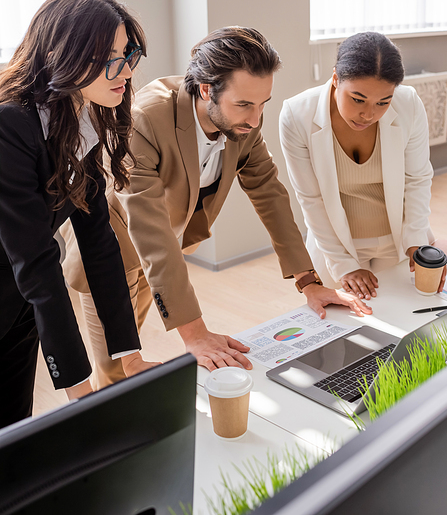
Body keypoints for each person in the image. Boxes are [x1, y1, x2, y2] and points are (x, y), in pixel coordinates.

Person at [61, 26, 372, 388]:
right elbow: (149, 228)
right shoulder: (144, 117)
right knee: (119, 368)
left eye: (262, 105)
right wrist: (194, 334)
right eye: (244, 105)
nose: (256, 120)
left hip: (159, 255)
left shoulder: (244, 119)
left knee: (133, 346)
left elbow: (269, 191)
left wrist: (309, 281)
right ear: (206, 89)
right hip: (109, 252)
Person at [0, 0, 157, 429]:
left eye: (128, 54)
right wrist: (79, 391)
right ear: (63, 54)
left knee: (13, 431)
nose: (124, 70)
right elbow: (37, 261)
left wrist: (130, 356)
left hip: (21, 302)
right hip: (24, 281)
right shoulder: (10, 124)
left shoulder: (79, 118)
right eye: (108, 57)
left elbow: (98, 241)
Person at [279, 31, 442, 302]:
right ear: (335, 80)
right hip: (336, 247)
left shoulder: (408, 103)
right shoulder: (297, 115)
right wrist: (344, 264)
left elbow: (418, 178)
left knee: (403, 325)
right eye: (358, 99)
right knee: (346, 332)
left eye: (383, 102)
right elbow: (311, 198)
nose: (369, 114)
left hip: (400, 242)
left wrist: (416, 241)